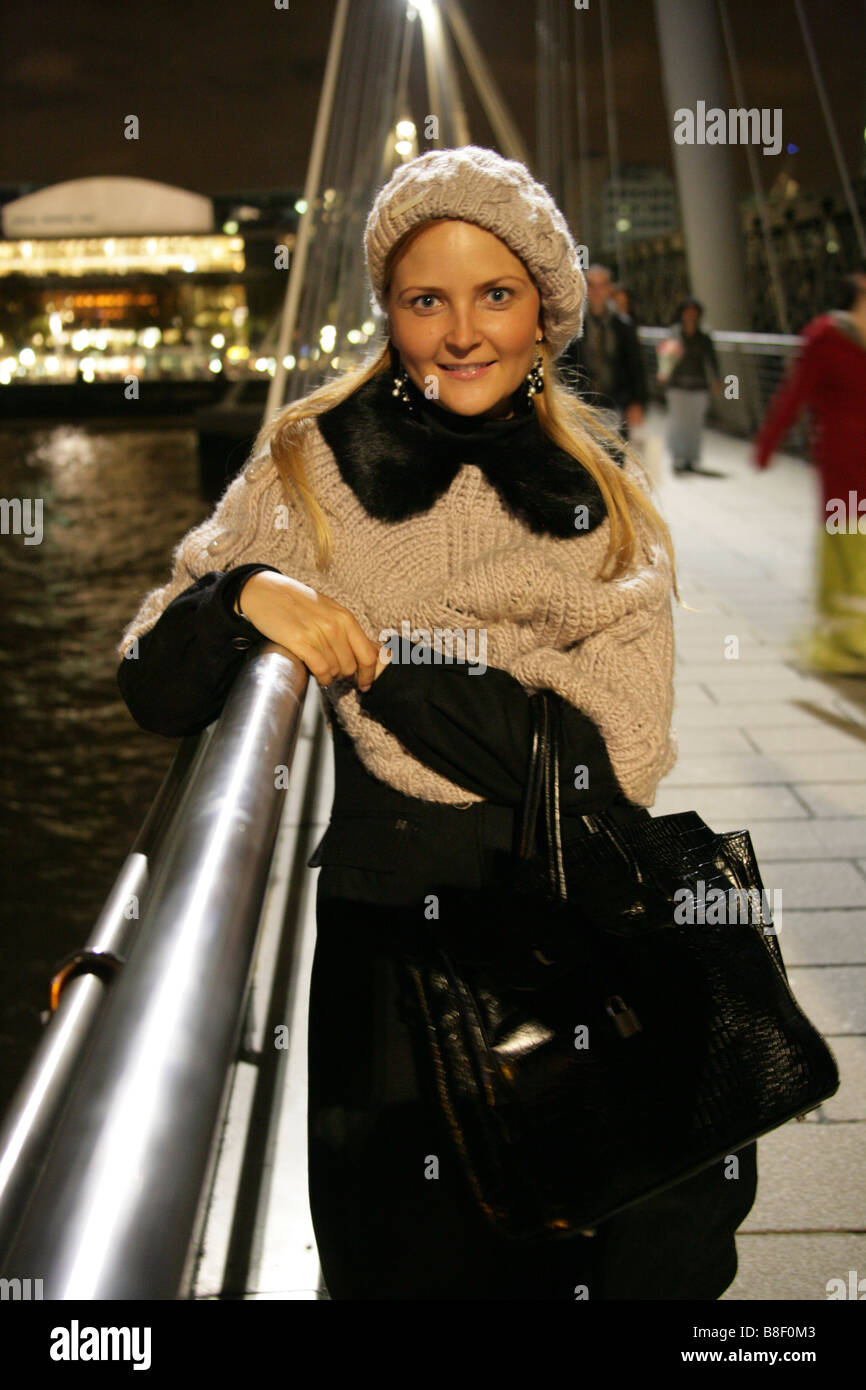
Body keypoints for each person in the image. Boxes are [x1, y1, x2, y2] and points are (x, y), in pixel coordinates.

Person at [115, 145, 757, 1300]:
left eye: (494, 295)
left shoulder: (606, 498)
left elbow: (612, 754)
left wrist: (375, 652)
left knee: (560, 1257)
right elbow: (155, 682)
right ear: (391, 315)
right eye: (426, 299)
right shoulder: (308, 466)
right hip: (384, 955)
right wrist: (244, 593)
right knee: (392, 1263)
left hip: (556, 937)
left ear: (545, 314)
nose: (461, 333)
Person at [752, 266, 866, 674]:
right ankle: (846, 642)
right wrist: (768, 443)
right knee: (847, 546)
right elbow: (795, 392)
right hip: (844, 463)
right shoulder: (826, 337)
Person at [557, 263, 647, 440]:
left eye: (602, 285)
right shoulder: (573, 327)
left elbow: (636, 366)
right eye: (592, 285)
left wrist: (638, 402)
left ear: (609, 289)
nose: (597, 291)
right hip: (582, 404)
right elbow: (564, 364)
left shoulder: (623, 327)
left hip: (617, 403)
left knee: (615, 456)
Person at [658, 297, 722, 475]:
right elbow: (666, 356)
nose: (690, 315)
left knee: (695, 423)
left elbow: (712, 360)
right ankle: (678, 457)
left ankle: (691, 458)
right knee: (677, 422)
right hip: (677, 384)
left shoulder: (704, 337)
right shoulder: (674, 334)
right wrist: (663, 373)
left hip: (698, 385)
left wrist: (717, 380)